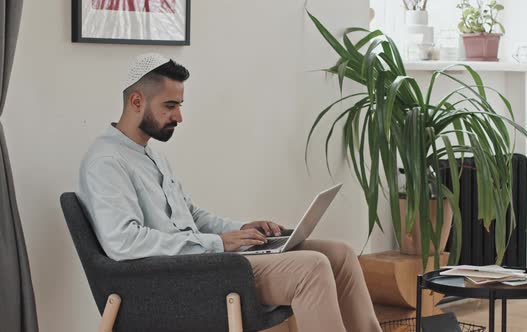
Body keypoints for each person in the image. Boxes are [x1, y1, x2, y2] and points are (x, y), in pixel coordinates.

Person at [78, 53, 381, 332]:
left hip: (202, 262)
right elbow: (124, 242)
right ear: (136, 101)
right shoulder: (107, 161)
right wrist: (217, 244)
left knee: (338, 254)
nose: (179, 117)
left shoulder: (149, 154)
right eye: (170, 106)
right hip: (177, 279)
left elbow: (190, 215)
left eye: (179, 106)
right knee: (311, 267)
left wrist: (240, 229)